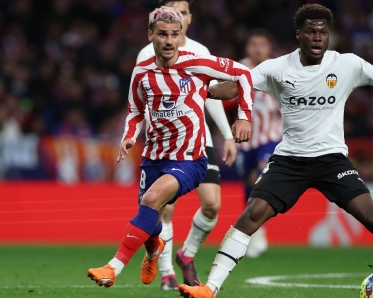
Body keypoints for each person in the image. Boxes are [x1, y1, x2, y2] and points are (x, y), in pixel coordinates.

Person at [179, 4, 373, 298]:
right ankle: (210, 289)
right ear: (299, 35)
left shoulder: (346, 64)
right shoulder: (276, 68)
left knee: (372, 217)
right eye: (310, 32)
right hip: (290, 160)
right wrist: (201, 89)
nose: (317, 38)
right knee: (251, 215)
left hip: (331, 159)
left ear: (329, 35)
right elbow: (235, 86)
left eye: (323, 32)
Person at [86, 6, 253, 288]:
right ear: (150, 34)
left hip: (190, 158)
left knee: (152, 200)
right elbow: (135, 111)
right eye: (163, 34)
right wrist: (129, 136)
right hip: (153, 157)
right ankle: (154, 250)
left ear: (181, 36)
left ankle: (112, 267)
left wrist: (243, 117)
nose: (169, 41)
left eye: (174, 35)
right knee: (150, 220)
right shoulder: (141, 72)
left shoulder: (198, 63)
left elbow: (243, 74)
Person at [136, 0, 238, 290]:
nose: (176, 16)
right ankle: (166, 272)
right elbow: (143, 99)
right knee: (165, 209)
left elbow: (211, 95)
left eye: (181, 11)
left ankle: (186, 253)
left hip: (199, 139)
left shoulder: (200, 52)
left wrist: (227, 135)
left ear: (189, 18)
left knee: (212, 205)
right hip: (166, 144)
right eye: (171, 10)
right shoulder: (147, 53)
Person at [234, 29, 282, 258]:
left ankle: (257, 229)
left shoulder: (278, 69)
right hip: (244, 140)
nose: (258, 49)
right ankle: (254, 229)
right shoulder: (238, 69)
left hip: (270, 137)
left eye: (262, 44)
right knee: (248, 182)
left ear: (268, 48)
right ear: (247, 48)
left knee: (260, 175)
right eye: (253, 44)